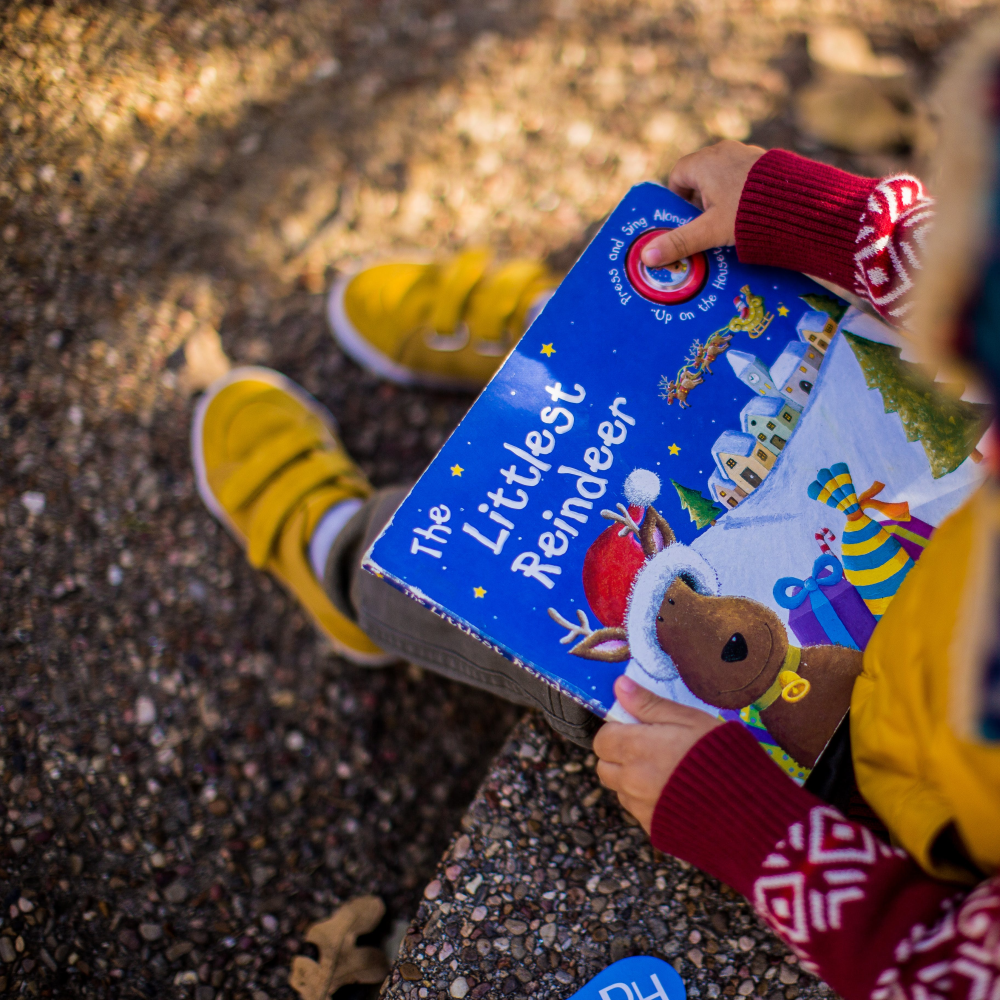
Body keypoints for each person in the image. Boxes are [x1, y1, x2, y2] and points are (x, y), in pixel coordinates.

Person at [594, 22, 1000, 1000]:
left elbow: (945, 974)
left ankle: (334, 543)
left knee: (446, 609)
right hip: (932, 594)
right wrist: (835, 219)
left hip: (881, 785)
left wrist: (761, 833)